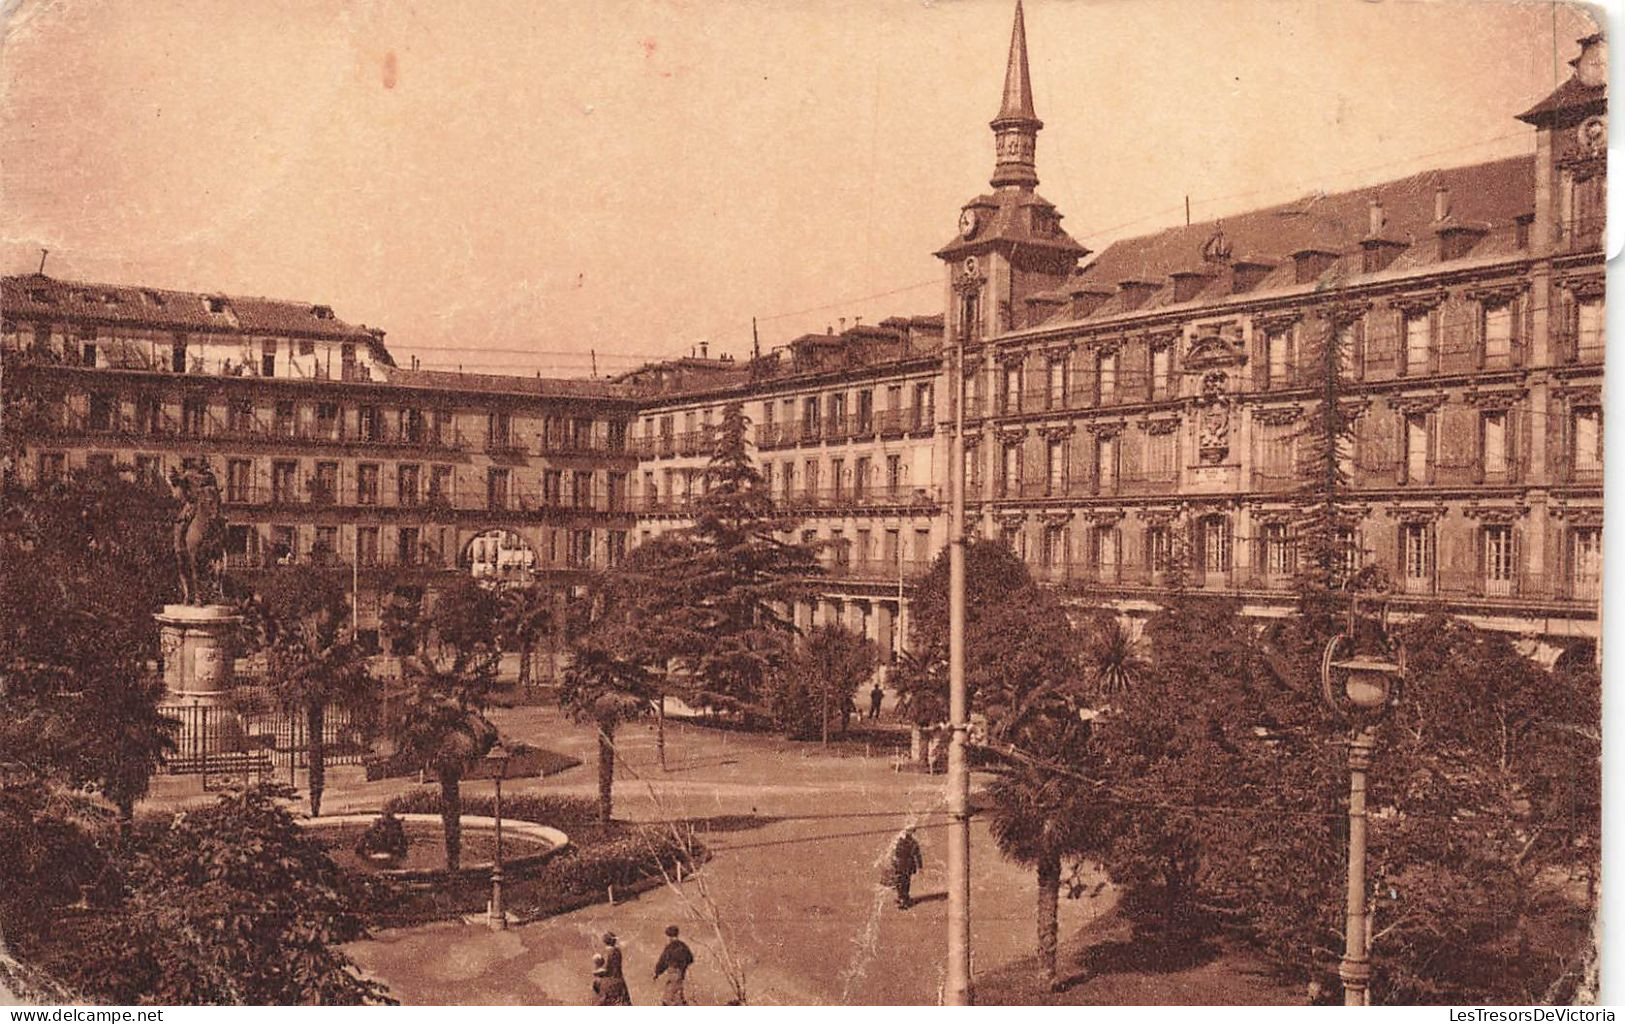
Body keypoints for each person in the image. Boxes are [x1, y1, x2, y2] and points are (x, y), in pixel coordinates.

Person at [653, 924, 694, 1006]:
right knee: (677, 995)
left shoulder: (670, 947)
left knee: (671, 999)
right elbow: (691, 959)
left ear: (669, 936)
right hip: (681, 974)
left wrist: (657, 973)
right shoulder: (683, 946)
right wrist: (683, 966)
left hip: (673, 973)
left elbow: (662, 962)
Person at [888, 826, 924, 909]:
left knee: (901, 882)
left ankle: (903, 898)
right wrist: (920, 867)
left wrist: (893, 863)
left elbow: (894, 853)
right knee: (905, 882)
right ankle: (903, 899)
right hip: (906, 865)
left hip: (902, 865)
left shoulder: (901, 841)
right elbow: (917, 855)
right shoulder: (913, 842)